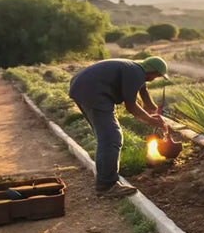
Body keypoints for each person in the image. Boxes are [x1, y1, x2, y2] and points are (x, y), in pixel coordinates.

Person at [68, 56, 169, 198]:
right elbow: (132, 107)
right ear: (152, 73)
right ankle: (107, 185)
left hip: (83, 87)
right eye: (157, 76)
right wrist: (152, 121)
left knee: (106, 137)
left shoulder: (135, 69)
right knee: (112, 137)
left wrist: (155, 110)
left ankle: (105, 180)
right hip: (94, 93)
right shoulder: (136, 74)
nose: (155, 79)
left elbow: (144, 93)